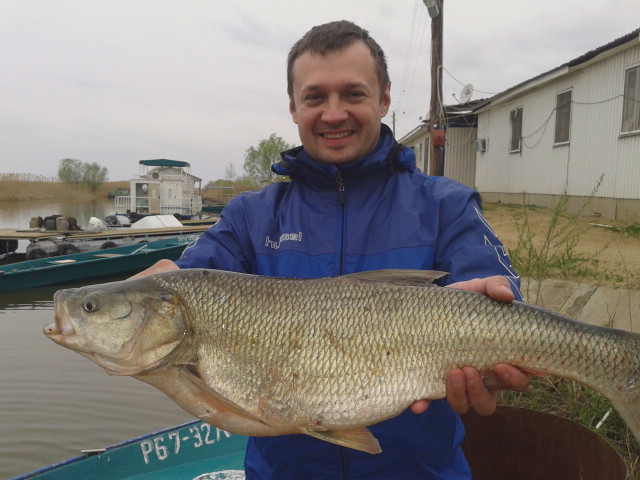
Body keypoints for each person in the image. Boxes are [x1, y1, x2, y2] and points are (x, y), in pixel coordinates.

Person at [135, 20, 530, 480]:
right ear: (293, 107)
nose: (334, 113)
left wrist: (493, 329)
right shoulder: (249, 217)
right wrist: (143, 294)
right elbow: (186, 288)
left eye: (353, 94)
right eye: (315, 97)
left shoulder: (446, 205)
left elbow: (501, 301)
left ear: (384, 99)